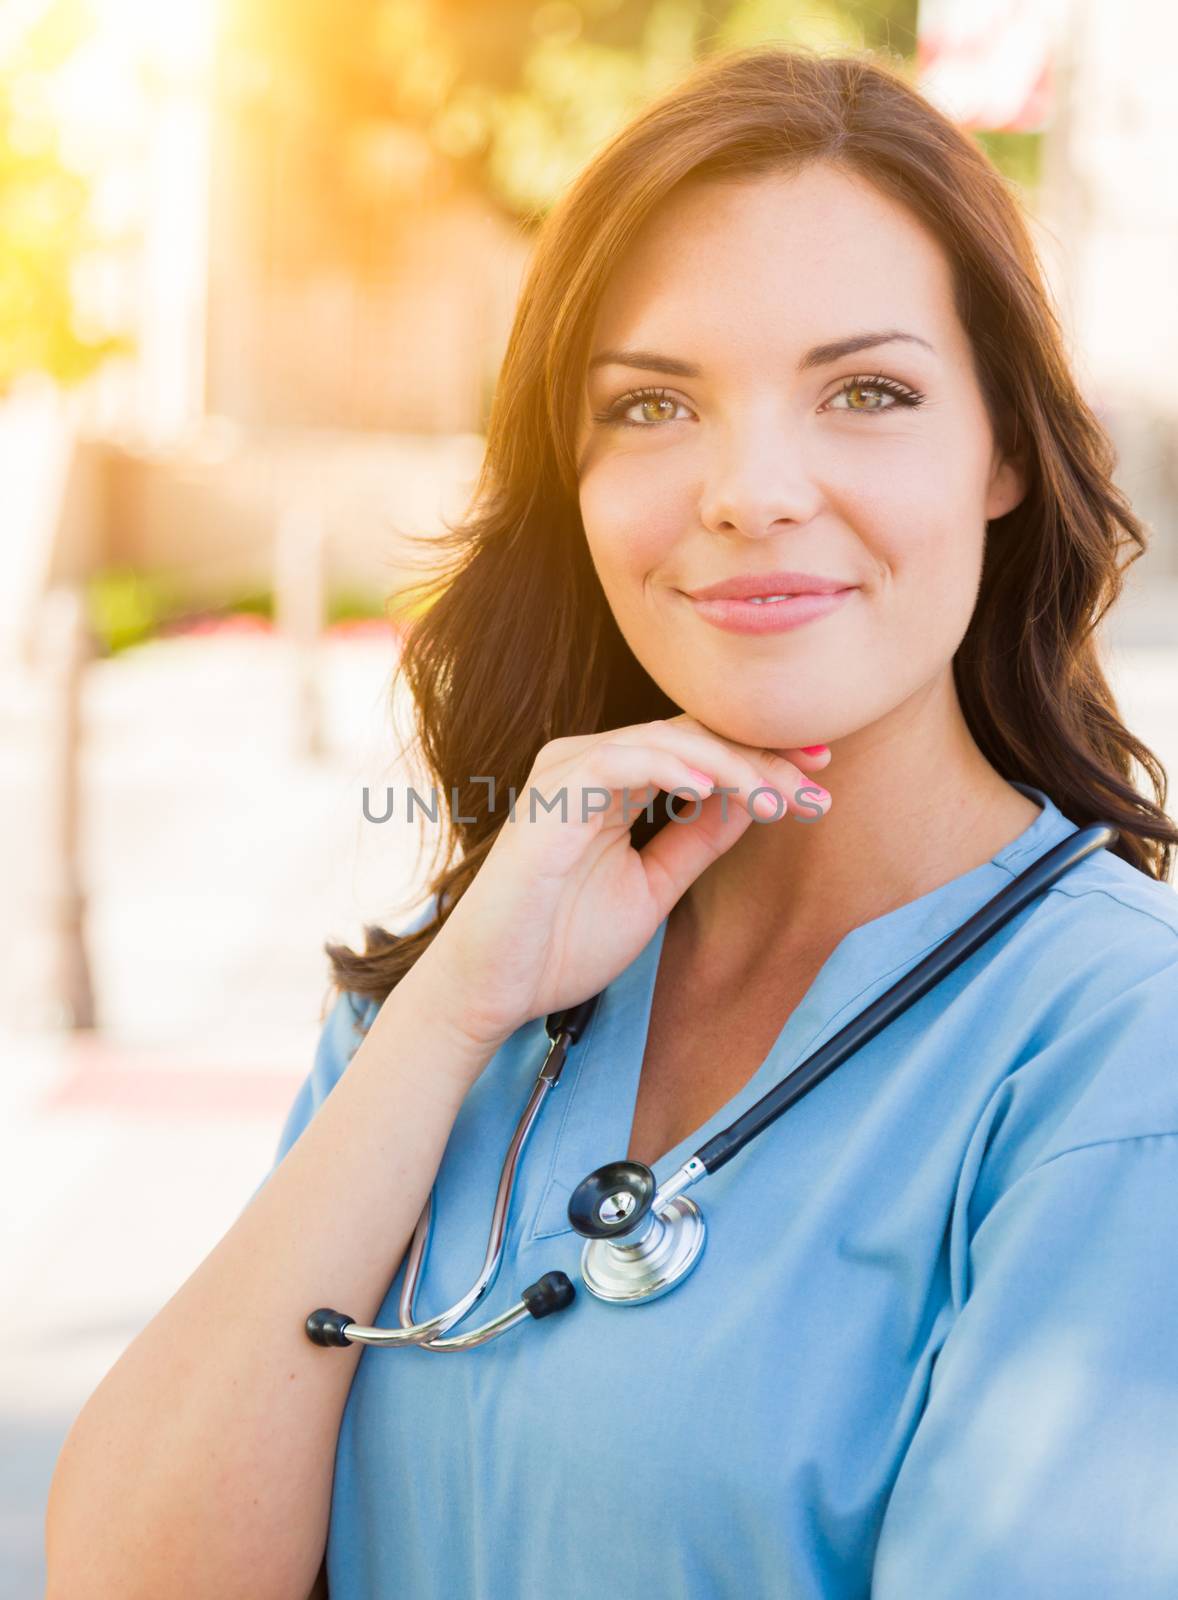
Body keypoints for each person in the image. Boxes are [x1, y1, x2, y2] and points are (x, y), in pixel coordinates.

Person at [47, 45, 1178, 1600]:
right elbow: (135, 1574)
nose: (749, 488)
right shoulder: (473, 985)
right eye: (652, 405)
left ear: (1000, 450)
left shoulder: (1120, 1060)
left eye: (866, 391)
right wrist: (447, 1013)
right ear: (567, 478)